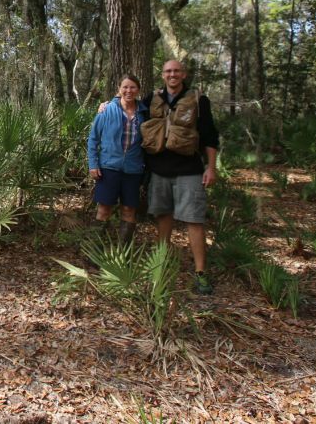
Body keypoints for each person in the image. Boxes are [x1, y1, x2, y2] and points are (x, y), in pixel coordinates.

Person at [141, 60, 220, 295]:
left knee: (194, 221)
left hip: (190, 170)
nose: (172, 75)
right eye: (168, 71)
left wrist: (211, 168)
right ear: (162, 75)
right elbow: (129, 108)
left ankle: (201, 273)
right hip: (158, 170)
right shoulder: (151, 98)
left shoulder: (198, 100)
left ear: (183, 74)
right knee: (163, 218)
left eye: (176, 71)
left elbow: (210, 137)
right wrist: (107, 105)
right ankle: (160, 266)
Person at [87, 74, 147, 244]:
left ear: (138, 90)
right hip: (108, 168)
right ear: (119, 89)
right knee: (104, 209)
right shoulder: (107, 110)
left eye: (133, 87)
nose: (129, 90)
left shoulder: (144, 113)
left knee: (129, 211)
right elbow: (93, 139)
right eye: (125, 87)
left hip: (133, 170)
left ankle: (121, 257)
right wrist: (93, 164)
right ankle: (93, 253)